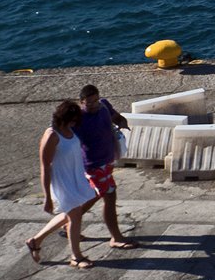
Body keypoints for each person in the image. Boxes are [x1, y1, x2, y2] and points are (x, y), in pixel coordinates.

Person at [26, 100, 99, 269]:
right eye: (72, 120)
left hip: (75, 178)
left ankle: (35, 241)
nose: (75, 123)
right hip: (62, 182)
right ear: (63, 118)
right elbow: (45, 167)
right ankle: (76, 257)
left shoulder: (69, 129)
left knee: (72, 213)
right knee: (75, 215)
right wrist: (47, 197)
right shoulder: (52, 135)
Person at [73, 84, 138, 250]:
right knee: (109, 196)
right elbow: (65, 137)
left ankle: (69, 223)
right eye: (89, 103)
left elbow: (116, 117)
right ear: (81, 102)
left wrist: (122, 122)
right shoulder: (77, 119)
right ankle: (116, 237)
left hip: (107, 161)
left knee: (94, 195)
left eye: (95, 101)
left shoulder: (103, 106)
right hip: (93, 165)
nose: (94, 105)